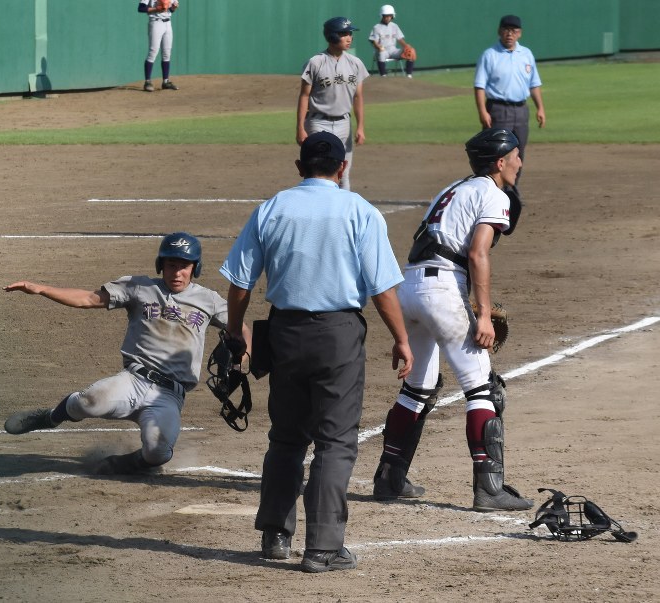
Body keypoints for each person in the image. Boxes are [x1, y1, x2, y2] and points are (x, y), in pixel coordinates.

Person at [220, 131, 413, 573]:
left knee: (286, 437)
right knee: (335, 441)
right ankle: (323, 547)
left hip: (284, 333)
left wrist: (235, 331)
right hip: (338, 335)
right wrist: (401, 338)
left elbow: (240, 284)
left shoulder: (272, 208)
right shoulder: (360, 210)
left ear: (298, 166)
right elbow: (382, 289)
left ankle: (275, 534)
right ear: (342, 168)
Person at [371, 128, 533, 512]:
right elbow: (478, 254)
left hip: (409, 286)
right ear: (499, 162)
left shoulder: (453, 189)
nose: (519, 162)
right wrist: (483, 314)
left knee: (417, 388)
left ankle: (389, 477)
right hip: (442, 289)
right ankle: (489, 489)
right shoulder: (492, 193)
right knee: (482, 387)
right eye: (515, 156)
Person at [3, 232, 250, 475]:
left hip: (169, 395)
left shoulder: (209, 300)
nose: (177, 272)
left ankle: (125, 464)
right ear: (160, 265)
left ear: (195, 268)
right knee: (89, 402)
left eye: (184, 266)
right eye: (171, 265)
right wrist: (41, 288)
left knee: (159, 453)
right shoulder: (139, 287)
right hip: (134, 379)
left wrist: (244, 356)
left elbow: (242, 330)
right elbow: (89, 299)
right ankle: (50, 418)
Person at [296, 17, 369, 192]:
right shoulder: (316, 62)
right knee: (317, 173)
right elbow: (304, 95)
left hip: (344, 123)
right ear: (332, 36)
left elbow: (358, 97)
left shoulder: (355, 63)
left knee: (343, 174)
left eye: (350, 34)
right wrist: (300, 127)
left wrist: (360, 127)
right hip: (318, 122)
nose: (349, 37)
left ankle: (343, 214)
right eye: (344, 33)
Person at [474, 15, 545, 188]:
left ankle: (512, 191)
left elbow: (534, 84)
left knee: (517, 153)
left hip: (521, 110)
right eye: (506, 30)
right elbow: (479, 86)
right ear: (499, 31)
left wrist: (540, 108)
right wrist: (482, 111)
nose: (510, 34)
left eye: (514, 31)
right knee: (497, 153)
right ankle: (490, 190)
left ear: (519, 33)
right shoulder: (490, 55)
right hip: (498, 109)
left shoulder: (526, 54)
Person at [138, 0, 179, 92]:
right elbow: (140, 8)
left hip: (168, 23)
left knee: (167, 53)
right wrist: (156, 9)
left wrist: (173, 7)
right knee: (153, 51)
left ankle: (165, 81)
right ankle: (147, 82)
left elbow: (170, 10)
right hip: (155, 23)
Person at [368, 5, 415, 78]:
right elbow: (374, 42)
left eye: (389, 16)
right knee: (382, 53)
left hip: (393, 50)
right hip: (382, 50)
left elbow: (400, 39)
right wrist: (379, 47)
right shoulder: (376, 27)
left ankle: (409, 75)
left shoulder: (394, 26)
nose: (387, 17)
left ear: (392, 16)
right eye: (385, 16)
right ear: (382, 16)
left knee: (410, 51)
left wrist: (406, 46)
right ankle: (383, 76)